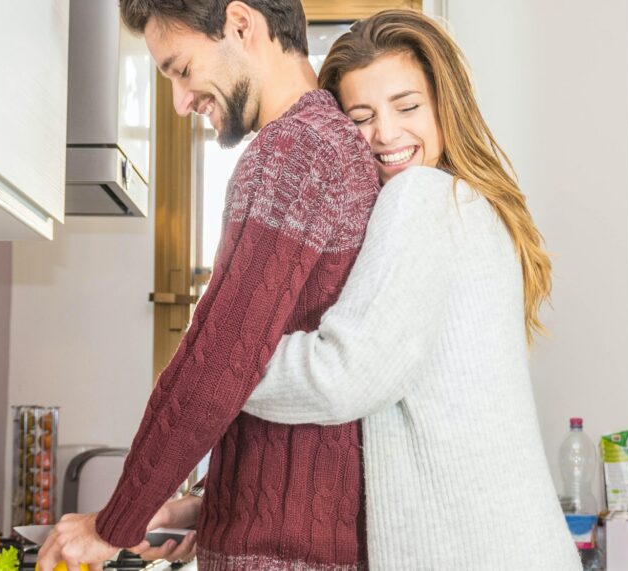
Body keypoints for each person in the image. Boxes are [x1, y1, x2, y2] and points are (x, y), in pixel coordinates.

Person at [136, 9, 583, 570]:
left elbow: (341, 378)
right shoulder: (466, 206)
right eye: (362, 116)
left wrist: (223, 354)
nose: (387, 134)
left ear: (446, 106)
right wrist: (211, 508)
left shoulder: (419, 198)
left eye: (407, 106)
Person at [36, 1, 381, 570]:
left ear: (241, 26)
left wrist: (113, 522)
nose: (179, 102)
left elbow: (220, 358)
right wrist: (204, 505)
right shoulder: (325, 145)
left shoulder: (294, 151)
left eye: (181, 69)